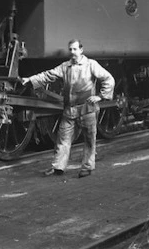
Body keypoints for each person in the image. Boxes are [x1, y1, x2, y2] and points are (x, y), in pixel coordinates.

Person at [21, 39, 114, 178]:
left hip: (87, 109)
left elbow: (108, 79)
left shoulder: (91, 64)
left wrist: (100, 96)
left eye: (75, 49)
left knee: (89, 140)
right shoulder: (65, 66)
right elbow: (48, 75)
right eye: (70, 49)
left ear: (81, 50)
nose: (72, 52)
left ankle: (87, 167)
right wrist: (30, 79)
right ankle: (58, 167)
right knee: (62, 139)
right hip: (69, 110)